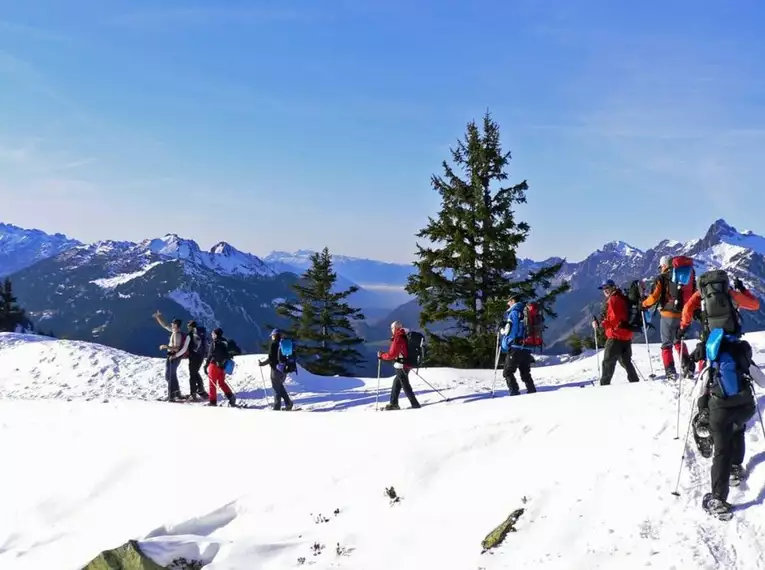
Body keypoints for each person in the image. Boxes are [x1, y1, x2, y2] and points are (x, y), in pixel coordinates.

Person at [678, 271, 759, 515]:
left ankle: (718, 498)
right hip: (743, 398)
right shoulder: (731, 296)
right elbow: (754, 305)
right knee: (738, 427)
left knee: (720, 437)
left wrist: (683, 328)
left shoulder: (698, 297)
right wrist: (741, 291)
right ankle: (737, 468)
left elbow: (685, 314)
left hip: (711, 353)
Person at [641, 255, 694, 380]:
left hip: (667, 315)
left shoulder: (662, 278)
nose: (660, 269)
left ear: (664, 266)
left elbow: (654, 297)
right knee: (679, 341)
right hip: (683, 314)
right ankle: (687, 367)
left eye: (661, 267)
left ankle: (670, 371)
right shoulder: (685, 275)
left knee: (666, 344)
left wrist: (643, 304)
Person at [592, 280, 640, 385]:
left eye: (607, 288)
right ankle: (635, 381)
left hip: (615, 336)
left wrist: (600, 325)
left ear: (613, 287)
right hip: (626, 335)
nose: (605, 290)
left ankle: (604, 384)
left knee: (608, 362)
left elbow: (614, 319)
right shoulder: (622, 297)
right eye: (603, 289)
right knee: (626, 361)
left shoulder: (613, 300)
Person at [377, 320, 421, 410]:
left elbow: (391, 355)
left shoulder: (398, 338)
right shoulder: (405, 335)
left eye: (392, 328)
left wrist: (381, 355)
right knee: (397, 383)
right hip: (407, 364)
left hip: (401, 365)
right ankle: (394, 403)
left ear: (395, 328)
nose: (391, 330)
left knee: (405, 385)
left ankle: (415, 404)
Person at [500, 297, 537, 395]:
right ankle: (532, 391)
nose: (507, 303)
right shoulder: (526, 312)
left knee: (507, 372)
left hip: (516, 347)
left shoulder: (514, 313)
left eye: (508, 301)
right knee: (525, 373)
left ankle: (514, 393)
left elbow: (512, 332)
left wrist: (503, 332)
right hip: (527, 347)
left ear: (513, 301)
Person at [153, 310, 190, 401]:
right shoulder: (174, 331)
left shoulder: (177, 335)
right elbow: (165, 325)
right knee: (171, 375)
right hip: (173, 356)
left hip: (174, 356)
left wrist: (166, 346)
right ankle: (176, 393)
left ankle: (171, 396)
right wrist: (158, 317)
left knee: (169, 375)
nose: (171, 324)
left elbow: (176, 348)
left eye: (173, 323)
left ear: (176, 325)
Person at [259, 329, 294, 410]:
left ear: (274, 335)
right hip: (285, 369)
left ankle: (277, 407)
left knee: (276, 388)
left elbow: (271, 359)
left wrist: (262, 364)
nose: (271, 337)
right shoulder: (284, 344)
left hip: (276, 370)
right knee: (280, 386)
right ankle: (288, 403)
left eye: (272, 336)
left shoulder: (273, 344)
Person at [204, 327, 236, 407]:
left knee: (212, 383)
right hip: (223, 366)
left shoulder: (214, 343)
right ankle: (231, 397)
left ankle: (213, 401)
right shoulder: (225, 342)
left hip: (214, 365)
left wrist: (206, 365)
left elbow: (210, 355)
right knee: (222, 383)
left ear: (215, 334)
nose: (211, 335)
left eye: (212, 333)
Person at [187, 320, 209, 400]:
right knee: (195, 372)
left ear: (191, 326)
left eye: (188, 326)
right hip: (201, 355)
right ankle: (201, 390)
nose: (187, 327)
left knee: (192, 375)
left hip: (194, 356)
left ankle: (193, 394)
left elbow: (187, 345)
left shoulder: (190, 335)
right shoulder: (201, 333)